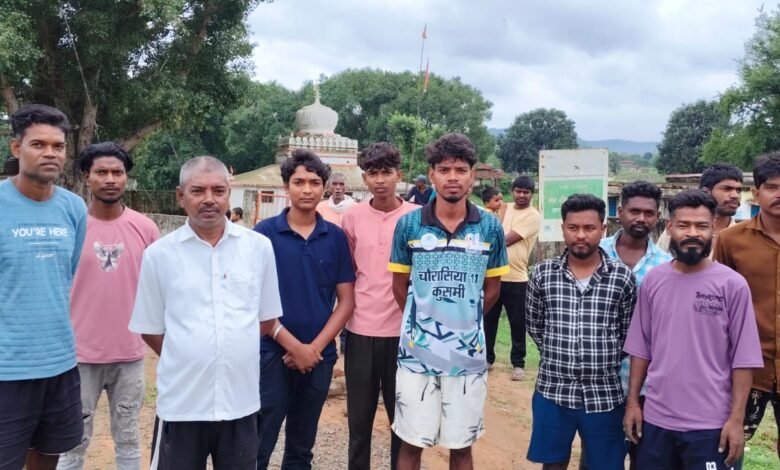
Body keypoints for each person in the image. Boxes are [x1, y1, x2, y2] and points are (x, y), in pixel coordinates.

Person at [129, 156, 288, 470]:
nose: (209, 199)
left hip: (240, 402)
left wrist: (226, 350)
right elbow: (150, 328)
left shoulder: (258, 248)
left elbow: (266, 319)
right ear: (180, 196)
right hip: (182, 404)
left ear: (229, 194)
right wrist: (189, 354)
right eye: (197, 190)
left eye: (218, 190)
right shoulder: (158, 255)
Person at [389, 133, 509, 470]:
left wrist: (464, 322)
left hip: (467, 358)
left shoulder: (490, 227)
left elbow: (493, 289)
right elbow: (399, 287)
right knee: (411, 445)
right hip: (416, 356)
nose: (452, 177)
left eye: (460, 170)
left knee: (461, 448)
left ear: (472, 175)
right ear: (432, 174)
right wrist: (424, 324)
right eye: (444, 170)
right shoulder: (408, 224)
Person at [624, 189, 762, 469]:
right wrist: (633, 404)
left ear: (714, 229)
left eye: (701, 226)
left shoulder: (732, 285)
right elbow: (641, 349)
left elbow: (744, 359)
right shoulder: (653, 281)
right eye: (684, 225)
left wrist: (736, 420)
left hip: (711, 426)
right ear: (670, 227)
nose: (692, 233)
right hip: (657, 420)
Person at [57, 143, 160, 470]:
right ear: (86, 177)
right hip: (78, 356)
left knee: (128, 439)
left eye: (118, 172)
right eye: (101, 172)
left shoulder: (145, 229)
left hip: (130, 355)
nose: (110, 179)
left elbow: (159, 290)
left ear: (127, 177)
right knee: (72, 444)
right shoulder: (71, 227)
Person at [254, 149, 356, 470]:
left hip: (319, 357)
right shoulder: (264, 235)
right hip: (271, 352)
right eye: (299, 182)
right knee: (258, 440)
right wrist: (292, 345)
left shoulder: (335, 237)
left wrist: (313, 348)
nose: (307, 189)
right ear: (286, 187)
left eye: (314, 182)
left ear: (324, 187)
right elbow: (253, 300)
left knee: (302, 445)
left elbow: (346, 301)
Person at [0, 104, 87, 470]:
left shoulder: (74, 208)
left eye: (58, 146)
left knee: (48, 457)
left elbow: (65, 275)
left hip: (60, 363)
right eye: (38, 144)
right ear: (16, 148)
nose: (50, 153)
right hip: (7, 369)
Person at [525, 194, 636, 470]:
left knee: (604, 465)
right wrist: (559, 354)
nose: (581, 235)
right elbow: (535, 325)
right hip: (553, 390)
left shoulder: (622, 277)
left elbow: (627, 333)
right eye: (573, 228)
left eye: (589, 228)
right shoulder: (543, 274)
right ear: (563, 228)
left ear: (603, 229)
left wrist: (599, 358)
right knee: (553, 464)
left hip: (604, 393)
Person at [341, 142, 418, 470]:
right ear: (364, 179)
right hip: (360, 330)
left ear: (399, 175)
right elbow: (347, 273)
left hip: (405, 335)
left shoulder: (417, 217)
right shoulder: (352, 217)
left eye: (387, 172)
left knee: (402, 422)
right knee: (359, 422)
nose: (380, 180)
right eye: (373, 173)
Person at [587, 180, 670, 470]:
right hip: (598, 380)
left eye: (649, 213)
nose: (641, 218)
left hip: (647, 384)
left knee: (642, 457)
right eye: (635, 211)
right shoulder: (595, 253)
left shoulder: (667, 266)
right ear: (620, 212)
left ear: (657, 217)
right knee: (596, 459)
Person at [715, 152, 780, 461]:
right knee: (727, 446)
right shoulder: (730, 240)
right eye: (772, 187)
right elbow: (719, 303)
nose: (779, 194)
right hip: (749, 369)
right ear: (756, 193)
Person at [484, 176, 540, 380]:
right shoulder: (503, 208)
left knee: (518, 323)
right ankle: (487, 359)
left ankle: (518, 364)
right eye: (518, 191)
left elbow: (505, 240)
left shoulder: (534, 216)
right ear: (512, 191)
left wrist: (488, 239)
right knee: (488, 320)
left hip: (517, 278)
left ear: (532, 194)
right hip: (493, 275)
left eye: (526, 192)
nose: (522, 195)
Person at [657, 163, 743, 255]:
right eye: (727, 189)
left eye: (738, 190)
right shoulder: (676, 231)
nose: (735, 195)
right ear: (706, 192)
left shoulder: (743, 236)